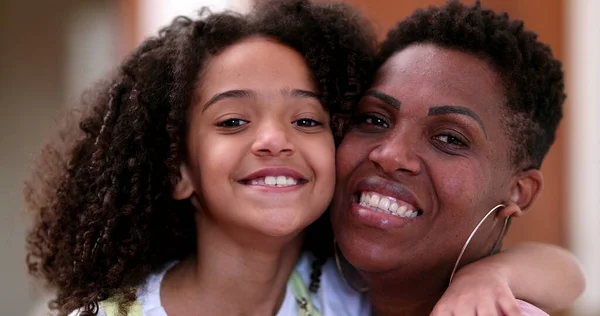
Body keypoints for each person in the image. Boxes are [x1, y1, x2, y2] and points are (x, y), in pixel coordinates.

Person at [25, 1, 582, 316]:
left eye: (308, 121)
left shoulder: (345, 289)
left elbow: (567, 274)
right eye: (233, 121)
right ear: (178, 169)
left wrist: (491, 276)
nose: (274, 140)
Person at [329, 1, 585, 315]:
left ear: (519, 191)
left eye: (450, 138)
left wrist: (490, 276)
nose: (390, 155)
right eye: (374, 120)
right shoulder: (296, 277)